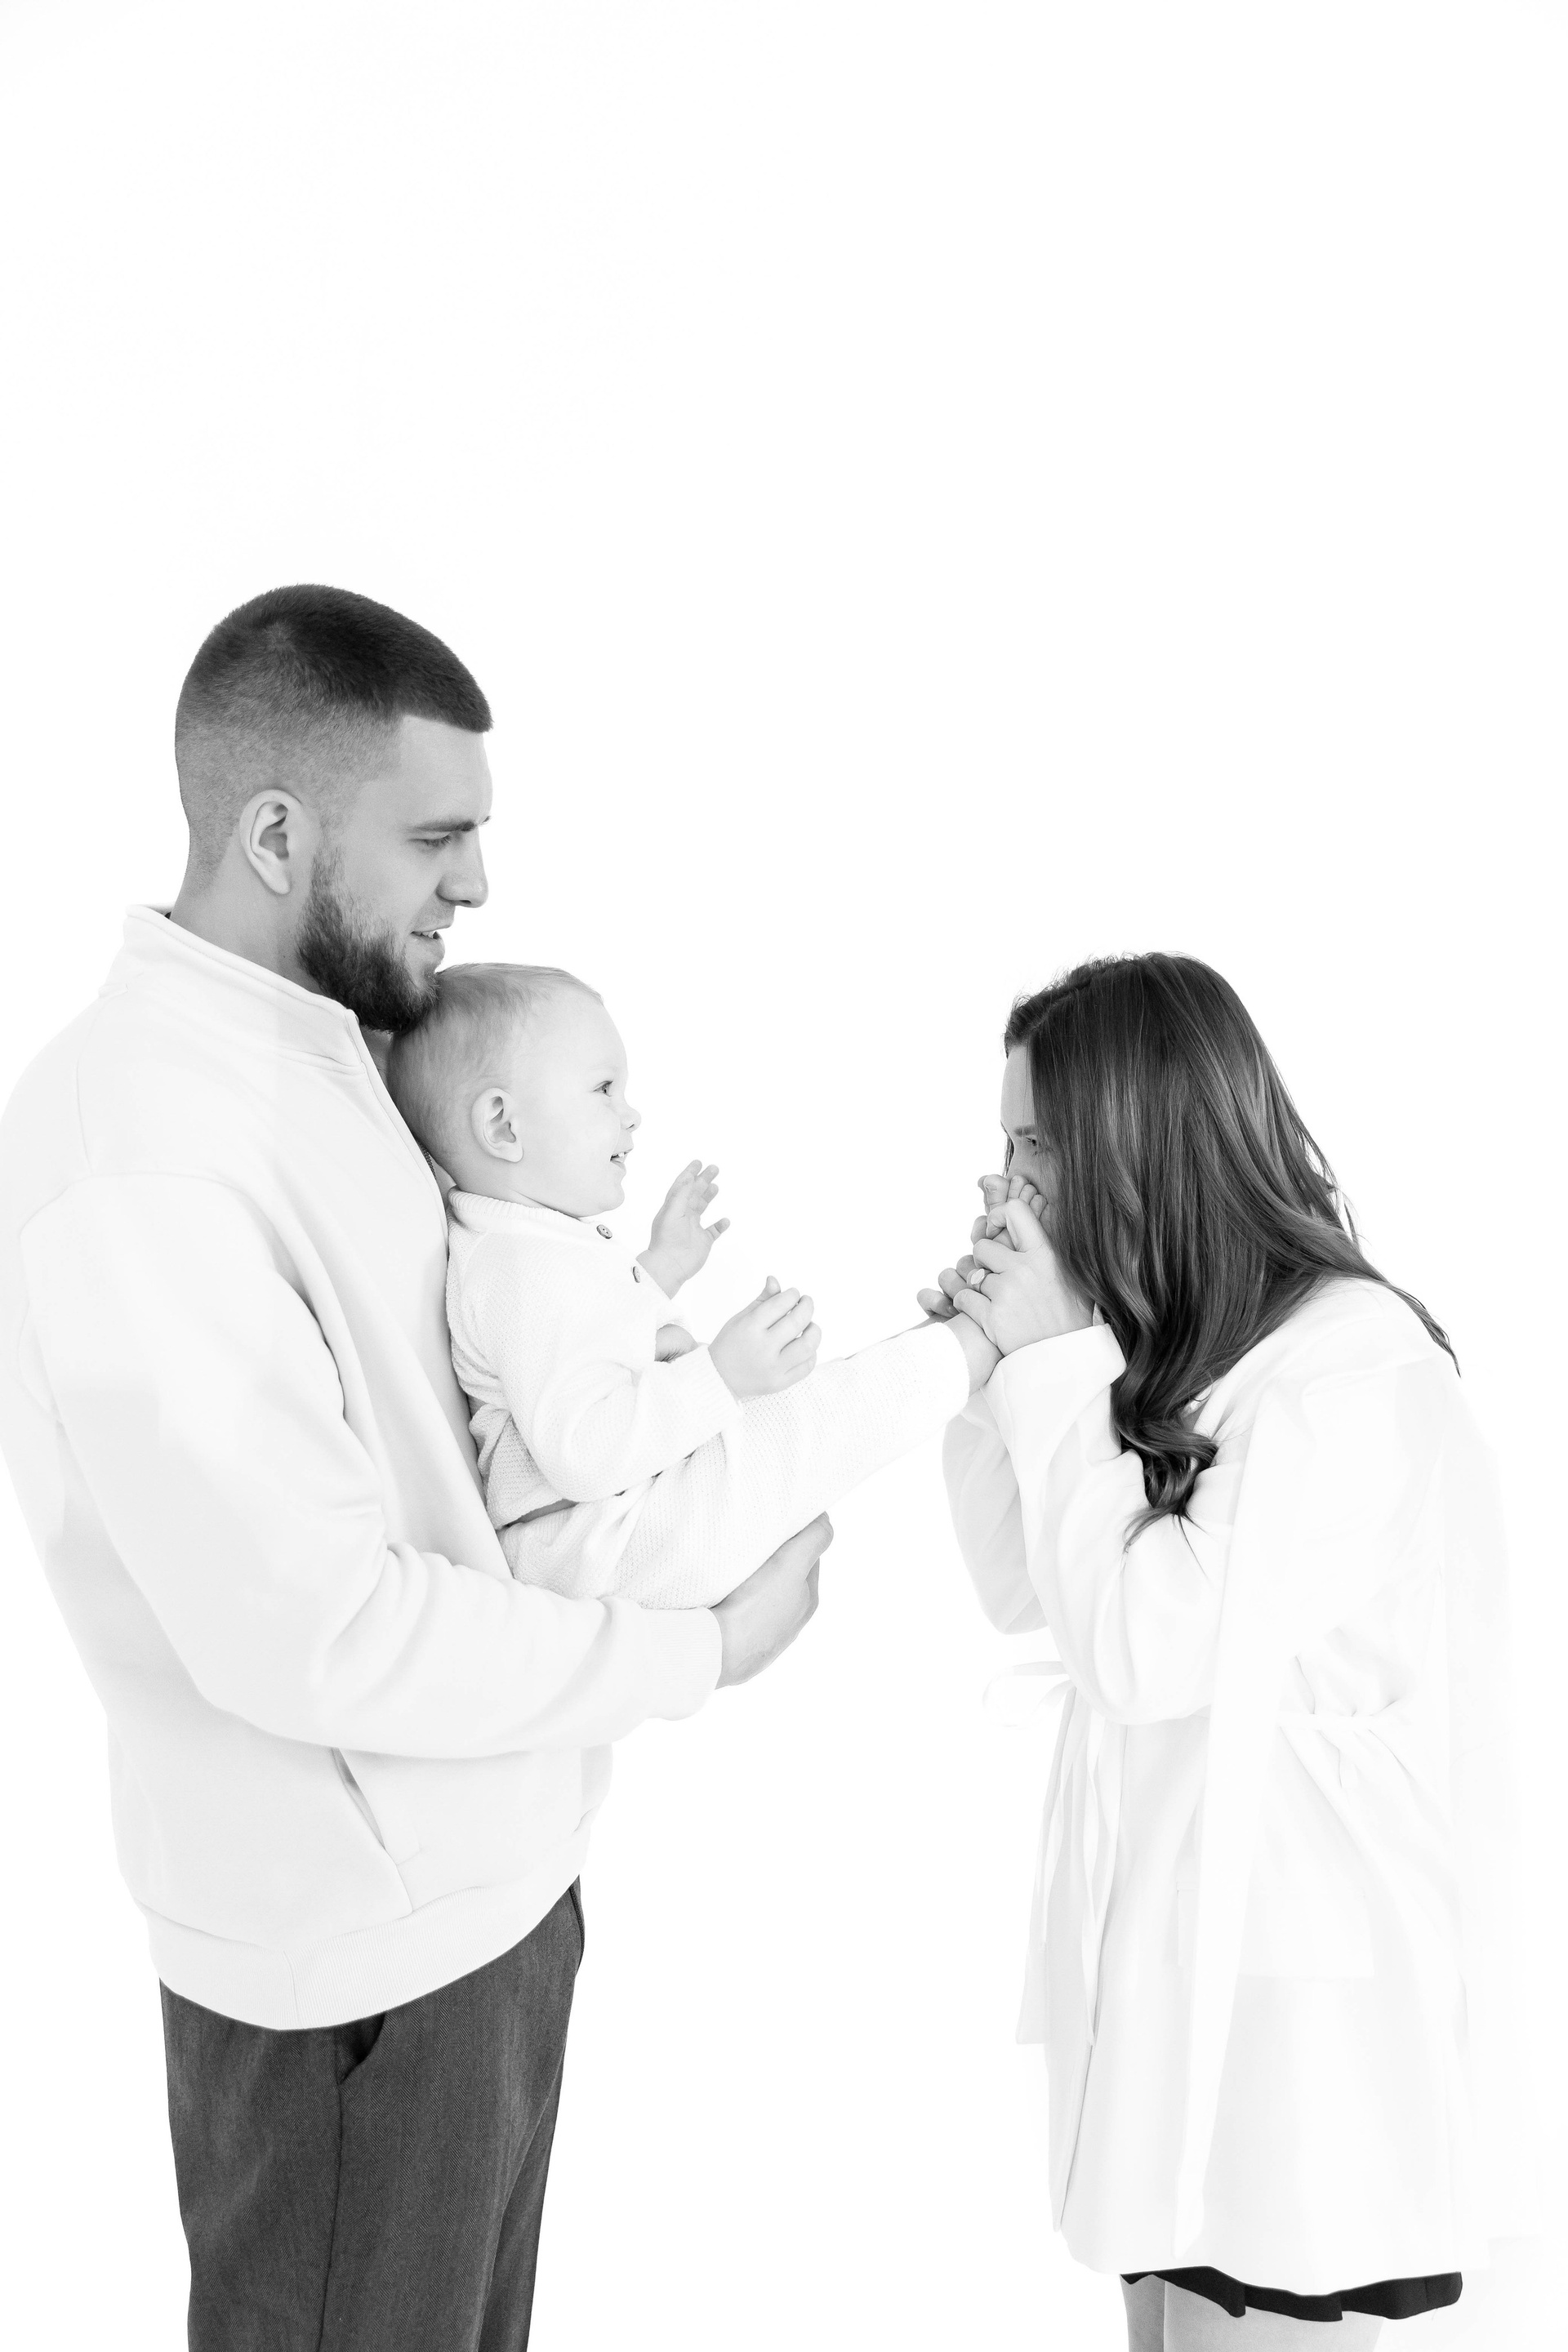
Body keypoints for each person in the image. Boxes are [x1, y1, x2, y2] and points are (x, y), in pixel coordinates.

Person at [0, 584, 839, 2351]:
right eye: (438, 840)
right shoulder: (145, 1149)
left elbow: (481, 1417)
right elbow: (317, 1633)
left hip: (491, 1910)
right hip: (353, 1993)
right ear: (276, 834)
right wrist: (698, 1651)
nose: (479, 887)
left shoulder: (336, 1059)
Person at [919, 955, 1536, 2350]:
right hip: (1183, 1972)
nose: (1008, 1184)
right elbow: (1026, 1588)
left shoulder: (1350, 1366)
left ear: (1137, 1140)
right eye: (1005, 1145)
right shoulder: (1182, 1342)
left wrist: (1054, 1371)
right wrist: (999, 1370)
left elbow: (1143, 1649)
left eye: (1037, 1145)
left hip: (1299, 2021)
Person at [383, 960, 991, 1608]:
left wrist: (661, 1267)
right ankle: (979, 1342)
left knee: (805, 1413)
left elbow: (594, 1345)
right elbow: (585, 1448)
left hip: (617, 1522)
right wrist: (720, 1376)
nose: (631, 1114)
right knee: (811, 1423)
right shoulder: (517, 1269)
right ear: (504, 1127)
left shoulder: (526, 1245)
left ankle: (953, 1342)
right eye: (604, 1088)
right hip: (599, 1545)